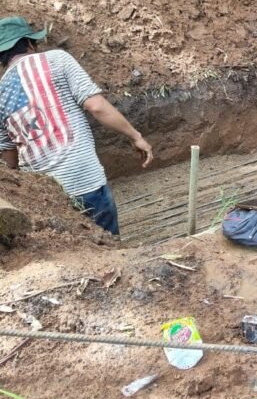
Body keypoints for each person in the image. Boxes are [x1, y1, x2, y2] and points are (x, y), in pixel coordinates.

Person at [0, 16, 153, 235]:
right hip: (84, 182)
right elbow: (96, 106)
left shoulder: (1, 93)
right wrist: (136, 136)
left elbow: (9, 157)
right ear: (30, 44)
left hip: (46, 199)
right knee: (108, 248)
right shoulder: (56, 60)